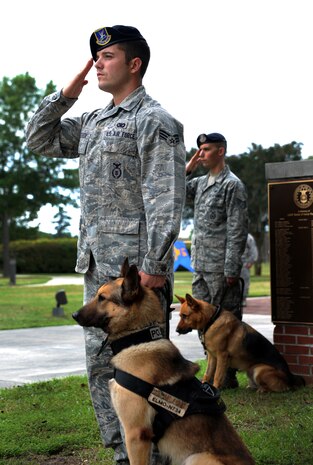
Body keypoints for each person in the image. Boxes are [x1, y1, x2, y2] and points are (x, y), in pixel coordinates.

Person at [26, 25, 186, 465]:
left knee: (147, 369)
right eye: (95, 57)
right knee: (100, 367)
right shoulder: (94, 121)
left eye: (108, 56)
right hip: (97, 268)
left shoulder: (155, 120)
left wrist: (155, 263)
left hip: (136, 275)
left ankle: (158, 453)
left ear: (134, 64)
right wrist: (65, 95)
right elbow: (38, 140)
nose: (98, 62)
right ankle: (122, 453)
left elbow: (167, 196)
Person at [185, 132, 248, 388]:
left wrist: (232, 266)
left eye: (207, 149)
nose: (202, 154)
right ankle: (211, 375)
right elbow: (175, 190)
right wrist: (188, 168)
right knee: (201, 320)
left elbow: (237, 228)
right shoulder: (200, 183)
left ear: (221, 151)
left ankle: (228, 376)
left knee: (226, 321)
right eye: (200, 150)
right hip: (200, 264)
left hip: (221, 268)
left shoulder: (232, 185)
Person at [241, 233, 258, 306]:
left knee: (244, 282)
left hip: (244, 264)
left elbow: (253, 250)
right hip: (231, 263)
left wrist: (251, 261)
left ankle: (243, 299)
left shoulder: (248, 237)